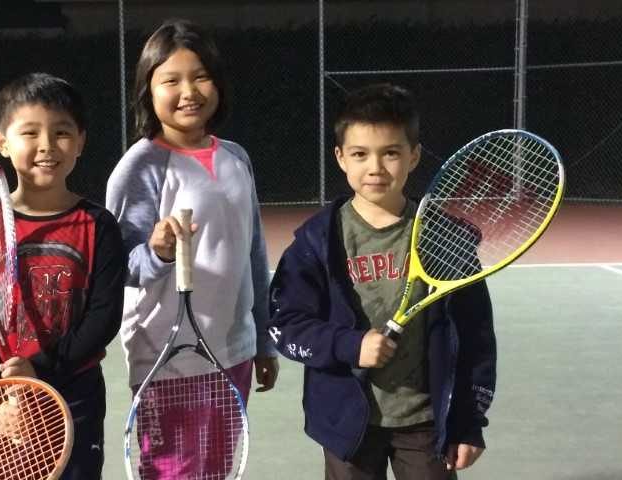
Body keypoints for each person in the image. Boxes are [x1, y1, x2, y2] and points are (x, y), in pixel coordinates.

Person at [267, 83, 497, 479]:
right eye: (360, 154)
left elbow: (476, 336)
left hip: (426, 422)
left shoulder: (445, 239)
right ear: (340, 158)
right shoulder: (317, 241)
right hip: (347, 422)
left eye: (390, 152)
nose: (375, 167)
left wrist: (468, 420)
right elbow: (285, 323)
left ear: (414, 156)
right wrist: (350, 345)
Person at [105, 18, 279, 477]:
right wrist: (159, 252)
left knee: (218, 469)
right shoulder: (139, 167)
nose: (189, 91)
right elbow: (120, 266)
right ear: (148, 89)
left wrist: (262, 338)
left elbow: (253, 255)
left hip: (232, 351)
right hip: (167, 357)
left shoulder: (236, 157)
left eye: (200, 76)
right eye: (171, 80)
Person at [0, 72, 127, 480]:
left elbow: (103, 317)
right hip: (0, 402)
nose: (46, 145)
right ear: (2, 142)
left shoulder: (98, 224)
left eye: (62, 132)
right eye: (30, 132)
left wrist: (41, 370)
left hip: (74, 392)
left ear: (80, 141)